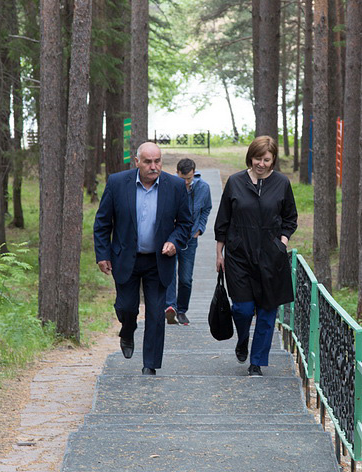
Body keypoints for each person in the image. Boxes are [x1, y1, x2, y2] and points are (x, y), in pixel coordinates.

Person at [93, 142, 192, 374]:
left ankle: (150, 365)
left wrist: (174, 241)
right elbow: (102, 222)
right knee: (127, 307)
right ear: (137, 162)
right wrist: (103, 254)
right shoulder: (118, 183)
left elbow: (185, 224)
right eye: (148, 161)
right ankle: (127, 330)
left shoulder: (175, 186)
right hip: (125, 257)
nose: (153, 166)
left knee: (157, 313)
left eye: (157, 161)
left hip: (159, 260)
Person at [214, 136, 298, 376]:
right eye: (257, 158)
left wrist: (281, 243)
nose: (261, 164)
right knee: (241, 308)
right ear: (250, 157)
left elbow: (290, 218)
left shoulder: (282, 183)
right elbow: (223, 220)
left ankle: (257, 362)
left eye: (266, 159)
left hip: (271, 258)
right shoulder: (235, 182)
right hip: (239, 256)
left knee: (267, 311)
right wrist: (219, 253)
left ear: (273, 161)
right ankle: (242, 339)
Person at [164, 158, 213, 326]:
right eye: (182, 178)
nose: (185, 182)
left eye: (188, 178)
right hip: (171, 238)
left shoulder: (203, 188)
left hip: (190, 239)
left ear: (194, 173)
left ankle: (182, 310)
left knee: (186, 278)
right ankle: (170, 307)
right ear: (176, 173)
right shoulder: (169, 186)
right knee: (170, 274)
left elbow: (207, 208)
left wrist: (200, 228)